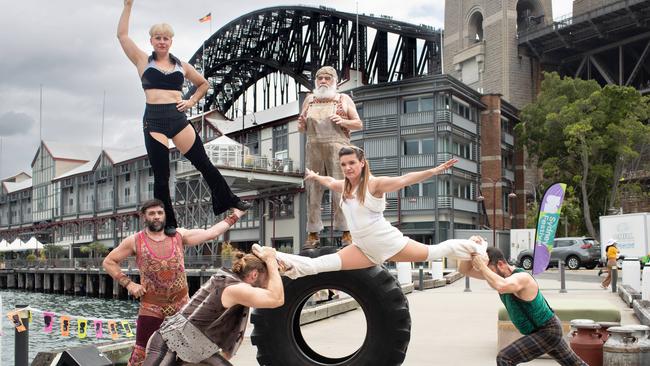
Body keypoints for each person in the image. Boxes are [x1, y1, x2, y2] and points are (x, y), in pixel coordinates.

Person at [117, 0, 250, 236]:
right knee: (162, 175)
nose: (161, 41)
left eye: (165, 38)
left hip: (177, 118)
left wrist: (190, 102)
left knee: (204, 164)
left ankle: (229, 200)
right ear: (152, 41)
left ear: (171, 41)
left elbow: (204, 84)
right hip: (154, 120)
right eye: (157, 37)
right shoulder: (141, 60)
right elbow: (122, 36)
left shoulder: (181, 65)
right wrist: (128, 5)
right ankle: (169, 222)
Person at [265, 146, 486, 279]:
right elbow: (330, 180)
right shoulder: (343, 186)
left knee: (435, 251)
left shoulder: (374, 184)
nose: (348, 167)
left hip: (387, 241)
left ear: (362, 163)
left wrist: (433, 171)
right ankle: (277, 259)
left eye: (352, 163)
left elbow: (403, 180)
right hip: (362, 248)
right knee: (319, 264)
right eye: (343, 164)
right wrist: (314, 176)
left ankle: (477, 245)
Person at [103, 199, 246, 366]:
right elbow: (109, 261)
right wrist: (129, 284)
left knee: (191, 352)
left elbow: (211, 233)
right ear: (144, 217)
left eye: (159, 213)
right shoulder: (134, 241)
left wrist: (236, 215)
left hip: (182, 308)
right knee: (142, 355)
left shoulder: (179, 235)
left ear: (164, 215)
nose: (156, 217)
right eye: (152, 213)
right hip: (151, 308)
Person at [143, 246, 284, 366]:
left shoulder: (230, 282)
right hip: (169, 344)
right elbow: (276, 298)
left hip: (196, 349)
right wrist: (270, 260)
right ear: (254, 275)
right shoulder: (235, 288)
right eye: (268, 277)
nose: (270, 281)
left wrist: (275, 266)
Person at [459, 246, 587, 366]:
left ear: (501, 264)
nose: (489, 276)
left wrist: (482, 266)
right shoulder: (497, 274)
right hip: (540, 331)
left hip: (548, 330)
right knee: (575, 364)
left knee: (505, 358)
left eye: (490, 271)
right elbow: (463, 270)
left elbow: (502, 286)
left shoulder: (521, 278)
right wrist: (470, 248)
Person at [298, 66, 363, 248]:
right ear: (316, 81)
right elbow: (301, 128)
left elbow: (358, 123)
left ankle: (346, 232)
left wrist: (343, 121)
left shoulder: (343, 99)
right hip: (313, 148)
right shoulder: (309, 100)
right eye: (320, 78)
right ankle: (313, 233)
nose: (323, 81)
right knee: (312, 190)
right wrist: (301, 123)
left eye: (327, 78)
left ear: (334, 81)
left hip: (338, 148)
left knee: (341, 190)